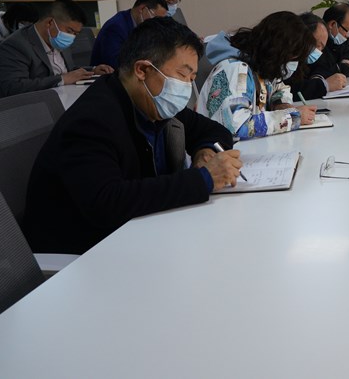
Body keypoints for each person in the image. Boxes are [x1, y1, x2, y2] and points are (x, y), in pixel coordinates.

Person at [23, 17, 242, 255]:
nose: (187, 87)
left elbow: (215, 131)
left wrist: (205, 152)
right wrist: (203, 179)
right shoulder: (92, 120)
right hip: (87, 253)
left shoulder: (157, 103)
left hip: (143, 233)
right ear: (142, 70)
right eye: (182, 75)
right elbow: (107, 202)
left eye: (192, 78)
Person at [197, 11, 317, 140]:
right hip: (222, 148)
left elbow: (279, 89)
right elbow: (238, 125)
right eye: (292, 57)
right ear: (277, 50)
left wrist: (281, 105)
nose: (294, 63)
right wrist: (292, 118)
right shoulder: (235, 70)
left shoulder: (263, 66)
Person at [0, 0, 113, 97]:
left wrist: (92, 71)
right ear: (49, 23)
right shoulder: (15, 46)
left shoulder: (57, 39)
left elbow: (67, 71)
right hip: (33, 108)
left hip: (65, 96)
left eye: (76, 33)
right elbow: (14, 88)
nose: (72, 37)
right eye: (70, 31)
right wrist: (62, 79)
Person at [89, 0, 170, 68]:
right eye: (156, 18)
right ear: (142, 9)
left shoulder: (142, 26)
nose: (157, 24)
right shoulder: (115, 27)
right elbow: (115, 63)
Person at [286, 12, 347, 101]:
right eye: (318, 45)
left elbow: (325, 66)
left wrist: (317, 77)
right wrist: (325, 85)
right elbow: (290, 89)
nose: (319, 52)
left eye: (322, 48)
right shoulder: (287, 59)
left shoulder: (305, 59)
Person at [322, 1, 349, 76]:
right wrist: (348, 67)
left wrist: (345, 60)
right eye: (347, 30)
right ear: (332, 24)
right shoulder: (319, 42)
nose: (347, 35)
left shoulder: (335, 39)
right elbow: (322, 71)